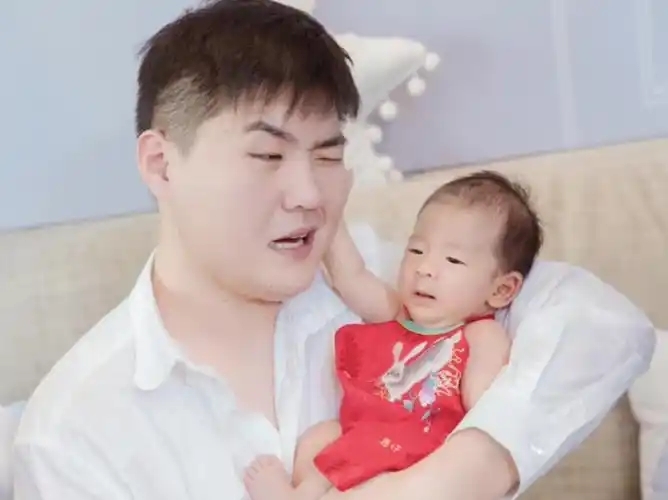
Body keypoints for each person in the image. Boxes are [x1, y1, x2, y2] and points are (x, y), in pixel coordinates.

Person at [12, 1, 655, 499]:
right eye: (267, 156)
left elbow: (604, 325)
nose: (308, 195)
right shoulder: (76, 434)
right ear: (161, 164)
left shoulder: (379, 281)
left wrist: (468, 467)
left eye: (328, 155)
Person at [243, 171, 544, 500]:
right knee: (321, 436)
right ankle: (303, 493)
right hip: (365, 433)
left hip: (419, 452)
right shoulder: (399, 314)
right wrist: (329, 215)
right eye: (416, 251)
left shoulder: (481, 335)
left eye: (453, 259)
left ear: (501, 290)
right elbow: (351, 277)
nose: (424, 268)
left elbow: (486, 411)